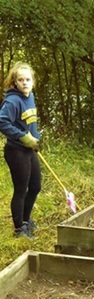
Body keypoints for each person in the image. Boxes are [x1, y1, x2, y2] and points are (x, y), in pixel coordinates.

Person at [0, 61, 41, 238]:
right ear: (14, 82)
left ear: (33, 82)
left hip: (28, 150)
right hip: (16, 151)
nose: (25, 83)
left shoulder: (29, 96)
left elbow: (30, 122)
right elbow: (2, 122)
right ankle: (19, 229)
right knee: (21, 189)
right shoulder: (13, 101)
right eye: (20, 79)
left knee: (35, 186)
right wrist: (22, 137)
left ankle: (26, 220)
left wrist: (35, 138)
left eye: (28, 79)